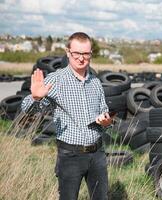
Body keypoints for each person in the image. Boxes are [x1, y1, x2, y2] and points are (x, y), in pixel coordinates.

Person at [21, 32, 112, 200]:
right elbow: (28, 109)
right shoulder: (56, 80)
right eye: (76, 53)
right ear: (68, 52)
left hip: (97, 154)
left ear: (90, 54)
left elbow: (104, 110)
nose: (81, 58)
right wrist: (35, 97)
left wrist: (107, 121)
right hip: (71, 156)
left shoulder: (96, 82)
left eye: (85, 53)